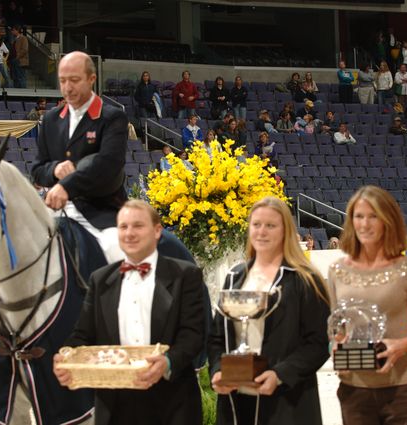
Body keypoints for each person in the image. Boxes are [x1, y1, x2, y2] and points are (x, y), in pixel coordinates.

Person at [53, 200, 205, 425]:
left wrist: (168, 361)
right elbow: (83, 334)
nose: (129, 233)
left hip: (172, 404)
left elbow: (193, 335)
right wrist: (66, 358)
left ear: (157, 231)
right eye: (123, 227)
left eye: (138, 226)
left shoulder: (186, 275)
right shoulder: (100, 279)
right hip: (114, 407)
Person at [328, 186, 407, 425]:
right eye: (359, 216)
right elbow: (337, 325)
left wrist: (405, 344)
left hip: (402, 390)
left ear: (388, 220)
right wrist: (337, 345)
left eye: (374, 216)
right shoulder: (337, 270)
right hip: (354, 390)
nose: (365, 224)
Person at [210, 196, 330, 425]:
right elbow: (216, 336)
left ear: (285, 231)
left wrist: (280, 374)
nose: (261, 232)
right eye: (256, 225)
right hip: (235, 402)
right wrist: (217, 370)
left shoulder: (305, 279)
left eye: (270, 225)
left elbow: (318, 342)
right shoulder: (235, 277)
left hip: (286, 403)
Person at [31, 51, 128, 264]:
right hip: (53, 211)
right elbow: (37, 170)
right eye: (62, 81)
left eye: (74, 80)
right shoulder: (50, 119)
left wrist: (66, 186)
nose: (67, 87)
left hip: (101, 211)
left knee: (117, 252)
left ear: (91, 79)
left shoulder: (112, 117)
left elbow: (108, 165)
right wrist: (55, 169)